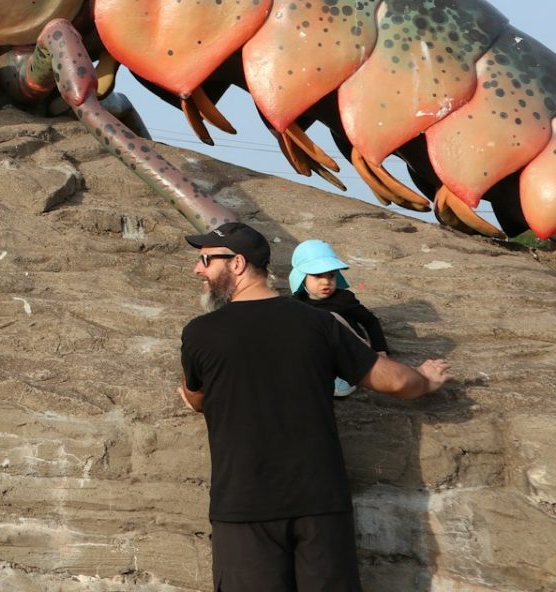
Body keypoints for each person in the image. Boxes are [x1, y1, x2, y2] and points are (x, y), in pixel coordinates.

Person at [177, 222, 451, 591]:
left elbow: (196, 398)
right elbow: (396, 381)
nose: (198, 269)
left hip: (245, 508)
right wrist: (426, 379)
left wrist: (195, 396)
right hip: (320, 505)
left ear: (237, 264)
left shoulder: (201, 333)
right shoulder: (320, 323)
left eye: (206, 260)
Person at [291, 238, 389, 398]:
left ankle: (344, 377)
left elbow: (370, 321)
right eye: (317, 276)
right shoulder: (295, 304)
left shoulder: (344, 299)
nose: (326, 282)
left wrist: (380, 351)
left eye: (331, 275)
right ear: (301, 277)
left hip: (348, 349)